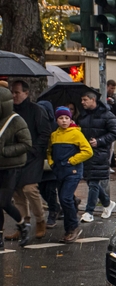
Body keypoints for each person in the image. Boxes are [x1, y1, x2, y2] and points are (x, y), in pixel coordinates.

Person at [8, 80, 51, 241]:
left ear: (26, 93)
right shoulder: (10, 111)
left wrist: (34, 150)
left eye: (17, 92)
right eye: (12, 92)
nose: (14, 95)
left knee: (29, 189)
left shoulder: (36, 110)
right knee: (17, 192)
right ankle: (23, 224)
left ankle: (40, 220)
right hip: (15, 156)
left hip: (32, 157)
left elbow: (45, 132)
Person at [48, 107, 93, 243]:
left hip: (73, 172)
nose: (64, 121)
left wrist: (72, 161)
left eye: (66, 118)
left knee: (65, 198)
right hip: (59, 171)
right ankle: (68, 229)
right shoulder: (54, 135)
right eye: (61, 118)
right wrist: (52, 163)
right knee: (64, 200)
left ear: (70, 119)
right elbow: (49, 150)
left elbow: (88, 151)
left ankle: (74, 226)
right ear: (56, 120)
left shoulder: (76, 134)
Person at [76, 91, 116, 223]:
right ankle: (107, 203)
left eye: (85, 100)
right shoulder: (82, 116)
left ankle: (89, 212)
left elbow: (115, 132)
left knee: (93, 181)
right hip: (85, 152)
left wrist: (99, 141)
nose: (82, 102)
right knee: (90, 180)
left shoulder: (106, 115)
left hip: (99, 152)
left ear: (93, 100)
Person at [0, 86, 33, 248]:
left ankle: (22, 226)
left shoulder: (15, 120)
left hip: (11, 167)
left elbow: (26, 143)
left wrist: (5, 150)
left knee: (4, 201)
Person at [37, 100, 62, 228]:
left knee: (51, 189)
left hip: (53, 161)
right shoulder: (36, 124)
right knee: (41, 188)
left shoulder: (55, 126)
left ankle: (53, 212)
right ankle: (58, 207)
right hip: (40, 161)